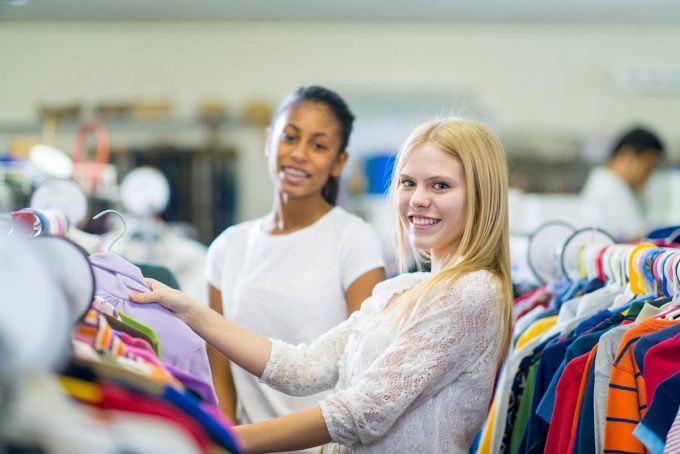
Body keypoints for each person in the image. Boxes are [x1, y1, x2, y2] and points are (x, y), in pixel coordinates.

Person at [131, 117, 513, 453]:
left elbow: (361, 412)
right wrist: (188, 309)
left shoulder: (473, 292)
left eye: (440, 186)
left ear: (482, 194)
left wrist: (220, 439)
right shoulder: (399, 290)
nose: (417, 200)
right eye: (408, 183)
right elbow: (304, 367)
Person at [204, 86, 386, 435]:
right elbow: (220, 373)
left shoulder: (354, 239)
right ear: (269, 141)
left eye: (318, 146)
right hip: (245, 443)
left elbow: (362, 368)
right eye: (289, 137)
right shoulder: (228, 247)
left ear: (339, 162)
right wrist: (223, 442)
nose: (299, 154)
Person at [580, 126, 665, 241]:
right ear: (626, 155)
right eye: (648, 166)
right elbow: (637, 238)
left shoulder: (618, 187)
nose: (649, 175)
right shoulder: (609, 189)